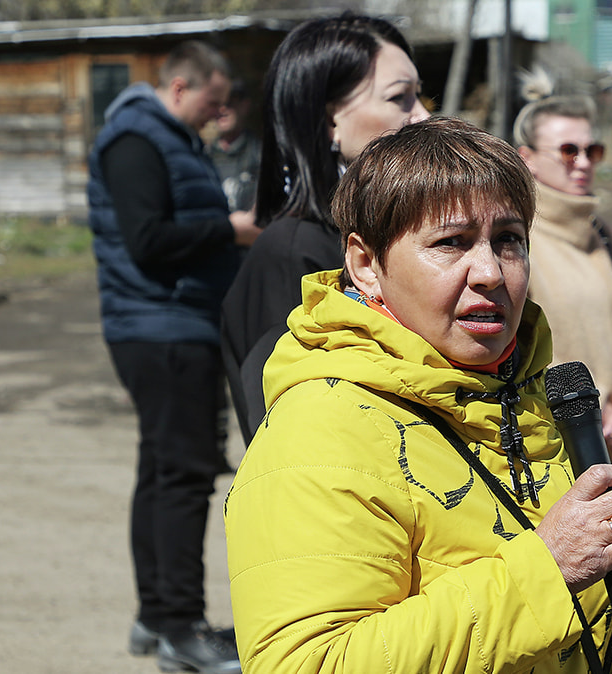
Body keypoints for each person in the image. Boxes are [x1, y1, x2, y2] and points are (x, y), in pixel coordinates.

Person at [223, 116, 612, 673]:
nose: (490, 272)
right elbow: (311, 665)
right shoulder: (320, 431)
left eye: (509, 241)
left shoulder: (535, 403)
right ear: (365, 265)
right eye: (451, 243)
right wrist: (546, 570)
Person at [86, 39, 259, 673]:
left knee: (161, 471)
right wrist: (232, 231)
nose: (218, 117)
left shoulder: (167, 138)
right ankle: (182, 628)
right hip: (162, 328)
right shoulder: (138, 140)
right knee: (185, 474)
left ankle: (155, 615)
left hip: (170, 323)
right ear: (181, 89)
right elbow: (149, 239)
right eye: (212, 103)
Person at [220, 13, 429, 445]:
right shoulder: (291, 252)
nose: (423, 115)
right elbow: (286, 430)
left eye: (420, 96)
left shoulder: (387, 235)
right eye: (400, 98)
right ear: (330, 120)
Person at [513, 69, 612, 485]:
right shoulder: (512, 238)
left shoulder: (604, 235)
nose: (583, 162)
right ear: (526, 157)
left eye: (592, 150)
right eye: (568, 150)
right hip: (544, 452)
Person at [208, 78, 261, 212]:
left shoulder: (261, 154)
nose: (223, 110)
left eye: (230, 103)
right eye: (217, 104)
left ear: (245, 106)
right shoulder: (203, 157)